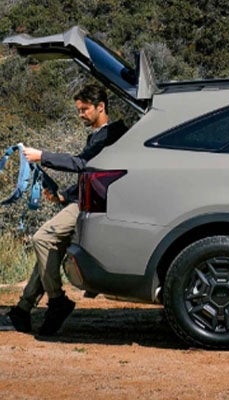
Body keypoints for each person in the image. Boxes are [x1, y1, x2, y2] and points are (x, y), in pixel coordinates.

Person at [0, 84, 127, 335]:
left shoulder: (111, 134)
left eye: (84, 110)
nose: (80, 114)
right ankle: (22, 311)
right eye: (78, 110)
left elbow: (82, 164)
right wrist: (62, 195)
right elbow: (90, 173)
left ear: (101, 107)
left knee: (43, 238)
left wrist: (42, 156)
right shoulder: (102, 133)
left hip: (96, 205)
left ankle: (57, 301)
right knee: (48, 248)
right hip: (88, 200)